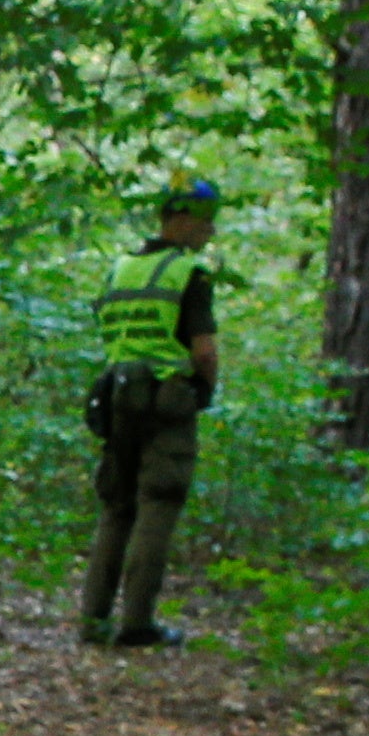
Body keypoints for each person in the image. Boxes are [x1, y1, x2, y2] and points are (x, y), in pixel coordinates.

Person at [76, 175, 223, 648]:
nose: (209, 232)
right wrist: (205, 389)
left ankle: (93, 620)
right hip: (167, 398)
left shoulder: (121, 269)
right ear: (178, 218)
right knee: (158, 503)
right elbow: (204, 350)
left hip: (118, 394)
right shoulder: (188, 273)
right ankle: (137, 623)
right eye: (204, 221)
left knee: (116, 508)